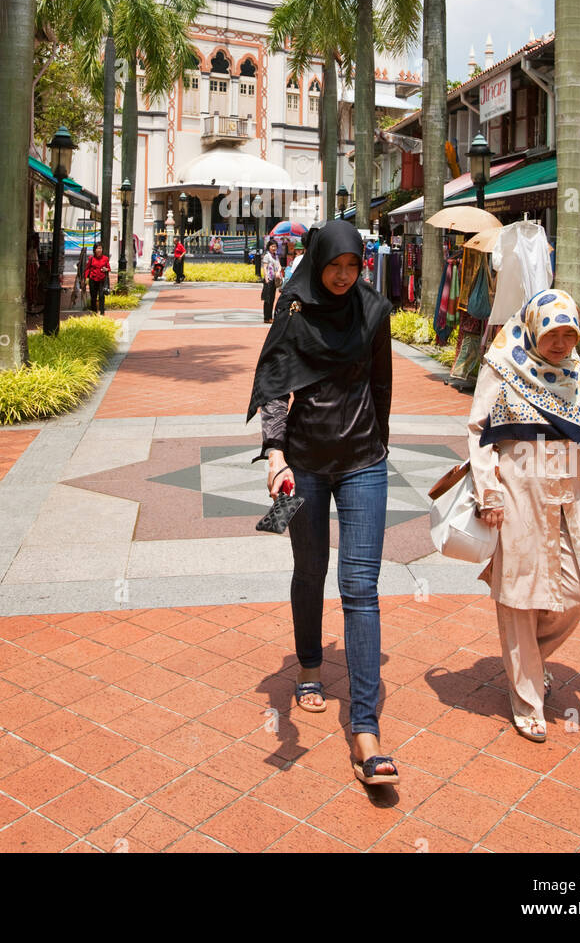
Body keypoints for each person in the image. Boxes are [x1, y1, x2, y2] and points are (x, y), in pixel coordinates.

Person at [247, 221, 398, 786]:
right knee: (309, 570)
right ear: (316, 260)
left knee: (361, 588)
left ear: (362, 264)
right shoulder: (294, 307)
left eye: (352, 265)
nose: (341, 275)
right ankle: (309, 666)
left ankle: (365, 730)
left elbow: (381, 385)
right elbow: (274, 387)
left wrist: (379, 443)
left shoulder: (374, 311)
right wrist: (275, 455)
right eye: (333, 264)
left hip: (363, 462)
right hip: (304, 464)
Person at [467, 289, 580, 743]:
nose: (560, 344)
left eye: (568, 334)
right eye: (552, 333)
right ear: (535, 328)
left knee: (576, 594)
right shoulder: (503, 367)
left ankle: (528, 664)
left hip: (568, 495)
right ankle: (526, 701)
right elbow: (479, 431)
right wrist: (489, 492)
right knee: (519, 596)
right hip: (518, 492)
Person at [85, 242, 110, 314]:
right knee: (93, 296)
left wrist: (106, 269)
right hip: (93, 279)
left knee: (102, 296)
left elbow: (109, 268)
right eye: (97, 248)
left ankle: (102, 312)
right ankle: (94, 312)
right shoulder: (91, 258)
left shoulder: (105, 258)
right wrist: (86, 278)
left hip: (102, 280)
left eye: (100, 248)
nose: (99, 250)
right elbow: (87, 268)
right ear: (94, 250)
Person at [260, 238, 281, 323]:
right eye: (272, 246)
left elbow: (279, 265)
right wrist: (266, 279)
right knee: (267, 299)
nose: (274, 248)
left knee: (272, 299)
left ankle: (270, 317)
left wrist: (278, 272)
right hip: (268, 279)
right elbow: (265, 268)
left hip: (274, 280)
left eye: (275, 246)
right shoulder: (267, 256)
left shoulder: (276, 256)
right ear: (269, 247)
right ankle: (266, 317)